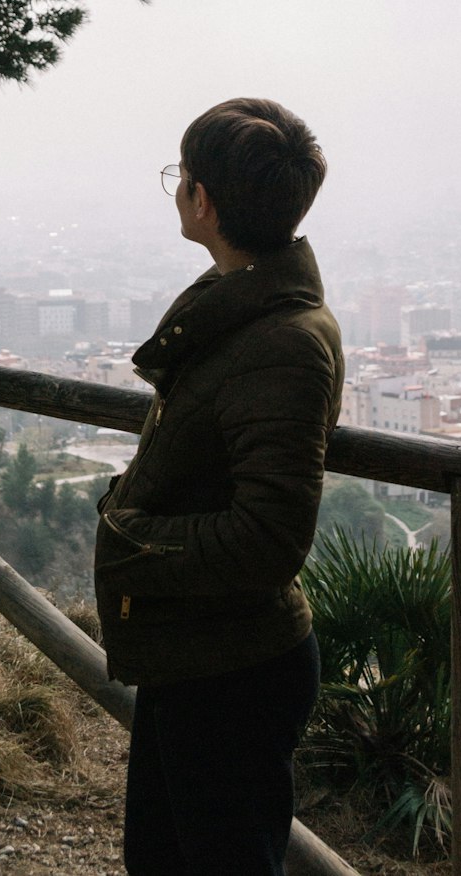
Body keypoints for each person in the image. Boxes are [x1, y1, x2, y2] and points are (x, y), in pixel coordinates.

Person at [94, 98, 344, 876]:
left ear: (202, 199)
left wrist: (133, 540)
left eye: (182, 175)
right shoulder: (242, 308)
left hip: (234, 667)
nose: (178, 190)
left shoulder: (281, 341)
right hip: (194, 648)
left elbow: (271, 537)